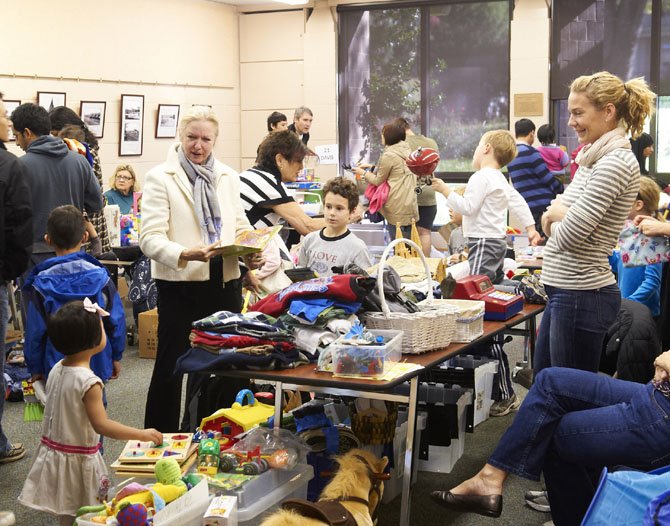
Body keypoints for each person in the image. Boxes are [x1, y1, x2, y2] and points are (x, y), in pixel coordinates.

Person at [430, 359, 670, 525]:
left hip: (662, 413)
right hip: (656, 393)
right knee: (549, 381)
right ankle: (490, 478)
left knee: (550, 432)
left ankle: (489, 482)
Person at [140, 105, 257, 432]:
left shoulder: (228, 176)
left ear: (215, 140)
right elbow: (148, 238)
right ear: (181, 136)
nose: (198, 145)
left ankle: (222, 432)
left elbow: (241, 223)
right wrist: (184, 253)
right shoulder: (160, 177)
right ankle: (159, 438)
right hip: (181, 284)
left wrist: (252, 252)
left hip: (225, 282)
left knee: (228, 364)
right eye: (192, 137)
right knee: (171, 367)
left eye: (206, 139)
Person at [537, 71, 656, 375]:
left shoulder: (614, 162)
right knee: (547, 386)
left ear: (608, 112)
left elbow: (566, 236)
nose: (570, 122)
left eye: (578, 113)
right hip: (567, 290)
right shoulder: (592, 159)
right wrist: (559, 217)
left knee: (565, 396)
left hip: (582, 294)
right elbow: (551, 219)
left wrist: (560, 217)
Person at [18, 300, 161, 526]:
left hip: (57, 453)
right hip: (79, 459)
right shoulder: (89, 382)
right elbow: (101, 425)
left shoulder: (57, 368)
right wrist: (141, 434)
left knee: (69, 511)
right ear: (94, 340)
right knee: (90, 513)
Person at [22, 206, 126, 387]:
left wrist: (35, 367)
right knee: (95, 406)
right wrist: (116, 355)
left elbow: (35, 331)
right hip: (96, 358)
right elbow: (115, 320)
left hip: (56, 362)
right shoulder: (101, 278)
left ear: (48, 240)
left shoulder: (40, 285)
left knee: (59, 409)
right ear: (85, 237)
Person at [432, 129, 540, 285]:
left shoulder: (480, 177)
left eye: (477, 145)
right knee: (494, 282)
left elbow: (467, 208)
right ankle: (519, 290)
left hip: (483, 241)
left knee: (478, 286)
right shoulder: (499, 178)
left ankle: (518, 292)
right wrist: (530, 228)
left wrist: (444, 191)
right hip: (498, 242)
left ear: (486, 148)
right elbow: (518, 202)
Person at [11, 103, 103, 269]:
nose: (17, 143)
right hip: (74, 252)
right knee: (76, 295)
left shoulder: (19, 167)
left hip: (36, 256)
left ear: (27, 133)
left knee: (37, 295)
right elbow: (96, 204)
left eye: (16, 136)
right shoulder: (80, 161)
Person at [0, 93, 32, 473]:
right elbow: (19, 223)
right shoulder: (9, 165)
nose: (7, 121)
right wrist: (9, 270)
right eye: (3, 114)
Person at [49, 106, 112, 255]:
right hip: (85, 222)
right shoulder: (86, 151)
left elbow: (89, 196)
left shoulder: (81, 154)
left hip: (87, 224)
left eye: (54, 134)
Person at [240, 130, 325, 235]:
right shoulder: (269, 184)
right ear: (280, 160)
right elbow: (308, 227)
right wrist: (346, 219)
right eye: (298, 161)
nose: (301, 167)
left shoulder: (250, 175)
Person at [353, 122, 419, 241]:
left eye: (382, 134)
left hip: (396, 204)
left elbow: (378, 180)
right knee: (409, 244)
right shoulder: (408, 151)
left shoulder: (389, 155)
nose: (381, 137)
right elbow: (396, 172)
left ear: (389, 136)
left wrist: (362, 172)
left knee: (398, 245)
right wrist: (372, 167)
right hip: (409, 203)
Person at [609, 176, 662, 317]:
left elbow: (652, 282)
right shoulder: (629, 232)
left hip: (642, 314)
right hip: (627, 309)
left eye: (624, 199)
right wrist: (605, 251)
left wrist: (627, 303)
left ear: (638, 205)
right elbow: (620, 265)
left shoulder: (652, 235)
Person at [298, 177, 373, 276]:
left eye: (339, 208)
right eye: (328, 207)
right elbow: (299, 276)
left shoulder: (358, 248)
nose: (332, 213)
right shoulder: (309, 240)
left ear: (352, 211)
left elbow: (365, 284)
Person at [506, 118, 564, 237]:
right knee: (548, 243)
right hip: (543, 205)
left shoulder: (510, 156)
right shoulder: (530, 152)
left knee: (536, 243)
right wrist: (560, 188)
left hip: (527, 206)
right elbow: (546, 177)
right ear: (532, 133)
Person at [394, 117, 439, 256]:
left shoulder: (399, 145)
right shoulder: (430, 143)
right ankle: (425, 268)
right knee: (425, 232)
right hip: (429, 194)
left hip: (409, 197)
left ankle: (408, 270)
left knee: (404, 237)